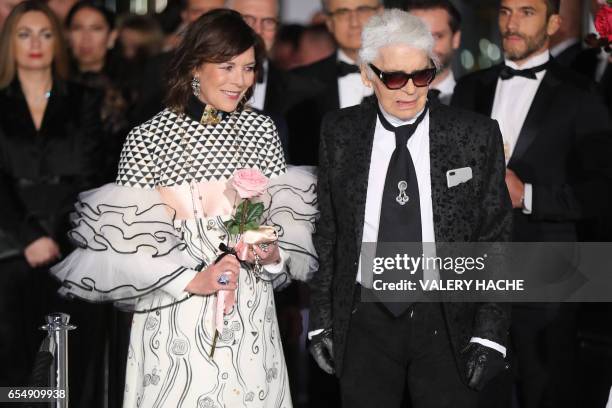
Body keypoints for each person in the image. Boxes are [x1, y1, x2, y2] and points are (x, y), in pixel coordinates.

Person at [51, 9, 317, 407]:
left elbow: (279, 228)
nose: (240, 80)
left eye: (248, 68)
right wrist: (193, 280)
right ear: (195, 65)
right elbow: (128, 246)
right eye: (227, 66)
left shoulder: (263, 131)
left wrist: (265, 249)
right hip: (178, 313)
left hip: (250, 312)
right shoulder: (148, 139)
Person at [308, 9, 512, 408]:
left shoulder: (473, 134)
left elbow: (495, 236)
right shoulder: (340, 132)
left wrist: (489, 332)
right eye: (395, 78)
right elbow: (329, 231)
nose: (410, 90)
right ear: (368, 74)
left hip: (447, 315)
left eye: (421, 75)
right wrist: (320, 321)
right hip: (363, 315)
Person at [452, 1, 612, 407]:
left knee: (549, 392)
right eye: (506, 12)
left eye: (527, 12)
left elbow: (601, 191)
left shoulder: (583, 94)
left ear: (554, 23)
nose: (512, 23)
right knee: (477, 392)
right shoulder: (470, 89)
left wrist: (528, 196)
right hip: (477, 272)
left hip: (550, 277)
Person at [0, 0, 104, 401]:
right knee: (14, 367)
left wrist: (58, 235)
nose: (35, 44)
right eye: (24, 34)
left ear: (58, 42)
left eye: (45, 33)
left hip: (70, 247)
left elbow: (91, 174)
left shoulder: (83, 100)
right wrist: (29, 236)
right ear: (10, 42)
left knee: (67, 368)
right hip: (9, 245)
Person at [283, 0, 383, 165]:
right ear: (329, 22)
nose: (354, 21)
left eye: (363, 9)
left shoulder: (411, 76)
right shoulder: (296, 83)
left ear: (381, 13)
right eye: (343, 12)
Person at [406, 0, 461, 105]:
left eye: (436, 36)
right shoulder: (381, 101)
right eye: (418, 36)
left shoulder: (478, 101)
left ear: (455, 39)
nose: (428, 46)